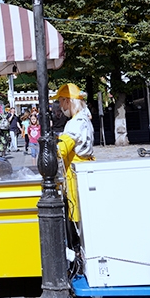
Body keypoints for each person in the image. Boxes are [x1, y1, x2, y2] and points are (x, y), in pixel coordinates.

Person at [53, 83, 96, 222]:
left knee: (78, 216)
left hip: (75, 173)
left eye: (60, 101)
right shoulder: (84, 119)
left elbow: (61, 150)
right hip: (85, 168)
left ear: (68, 101)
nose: (60, 106)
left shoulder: (75, 123)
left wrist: (52, 145)